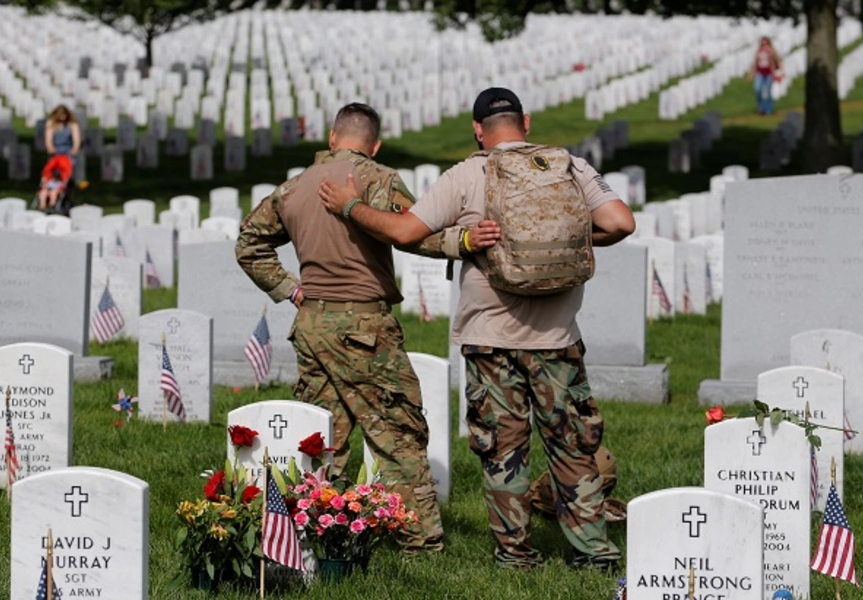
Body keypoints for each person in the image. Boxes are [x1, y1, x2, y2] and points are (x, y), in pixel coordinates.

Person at [318, 88, 636, 570]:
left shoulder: (467, 174)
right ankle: (593, 552)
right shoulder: (568, 165)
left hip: (488, 338)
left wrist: (349, 206)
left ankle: (515, 555)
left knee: (503, 450)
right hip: (557, 340)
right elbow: (620, 222)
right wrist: (561, 238)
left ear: (477, 130)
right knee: (571, 445)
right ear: (525, 122)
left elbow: (404, 232)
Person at [236, 102, 499, 555]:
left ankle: (310, 534)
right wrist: (466, 241)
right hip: (364, 326)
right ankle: (418, 541)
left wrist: (291, 289)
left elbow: (248, 245)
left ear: (333, 138)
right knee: (398, 429)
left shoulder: (293, 188)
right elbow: (414, 232)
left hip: (312, 323)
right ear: (374, 145)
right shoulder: (377, 180)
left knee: (321, 436)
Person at [748, 37, 783, 116]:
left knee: (767, 92)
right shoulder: (758, 52)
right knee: (758, 90)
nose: (764, 46)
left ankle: (769, 110)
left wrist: (781, 72)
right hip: (760, 73)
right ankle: (761, 108)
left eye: (766, 44)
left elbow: (778, 61)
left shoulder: (772, 51)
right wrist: (751, 74)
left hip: (769, 73)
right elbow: (754, 63)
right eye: (763, 44)